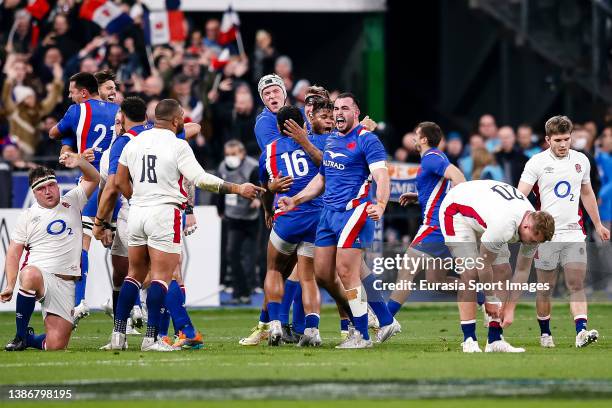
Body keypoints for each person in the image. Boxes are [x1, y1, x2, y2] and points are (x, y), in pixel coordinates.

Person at [110, 99, 263, 351]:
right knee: (162, 277)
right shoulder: (178, 145)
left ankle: (118, 336)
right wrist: (238, 187)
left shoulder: (133, 141)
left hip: (137, 211)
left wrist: (136, 198)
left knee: (133, 275)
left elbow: (120, 181)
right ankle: (152, 339)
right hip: (164, 213)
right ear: (176, 120)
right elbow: (201, 179)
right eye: (182, 116)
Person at [278, 93, 396, 348]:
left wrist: (382, 204)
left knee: (346, 270)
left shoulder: (367, 140)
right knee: (322, 273)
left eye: (344, 108)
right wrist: (295, 200)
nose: (338, 113)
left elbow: (382, 177)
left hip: (354, 211)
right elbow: (321, 179)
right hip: (328, 215)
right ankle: (386, 319)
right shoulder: (331, 140)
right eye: (336, 108)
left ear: (356, 112)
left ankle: (361, 334)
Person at [518, 115, 610, 348]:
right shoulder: (536, 163)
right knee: (545, 289)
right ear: (548, 139)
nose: (562, 144)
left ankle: (581, 332)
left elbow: (587, 193)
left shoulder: (581, 161)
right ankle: (545, 334)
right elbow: (520, 197)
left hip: (573, 233)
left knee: (576, 285)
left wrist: (598, 224)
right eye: (557, 140)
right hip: (546, 236)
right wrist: (524, 227)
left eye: (566, 139)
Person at [439, 179, 555, 352]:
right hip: (456, 211)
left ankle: (494, 339)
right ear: (526, 225)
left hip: (485, 212)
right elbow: (483, 263)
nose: (531, 244)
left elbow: (522, 270)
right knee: (470, 273)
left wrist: (510, 308)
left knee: (503, 270)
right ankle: (469, 340)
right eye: (531, 240)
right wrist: (490, 298)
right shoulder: (505, 225)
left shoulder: (532, 227)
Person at [2, 154, 100, 351]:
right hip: (41, 275)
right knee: (29, 274)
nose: (48, 192)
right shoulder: (28, 216)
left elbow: (94, 179)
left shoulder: (72, 200)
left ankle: (29, 339)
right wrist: (10, 285)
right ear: (34, 193)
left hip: (67, 282)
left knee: (55, 345)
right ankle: (20, 335)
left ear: (57, 185)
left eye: (51, 186)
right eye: (41, 189)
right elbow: (13, 252)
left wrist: (80, 162)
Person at [49, 72, 119, 327]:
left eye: (115, 88)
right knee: (113, 242)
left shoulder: (79, 112)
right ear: (96, 90)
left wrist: (75, 153)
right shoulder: (117, 113)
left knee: (88, 241)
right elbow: (65, 150)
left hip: (97, 184)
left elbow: (54, 134)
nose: (112, 92)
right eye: (108, 88)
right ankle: (127, 305)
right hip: (114, 184)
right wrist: (76, 153)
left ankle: (82, 302)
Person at [388, 122, 466, 317]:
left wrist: (451, 210)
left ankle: (385, 321)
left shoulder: (431, 158)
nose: (414, 137)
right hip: (442, 226)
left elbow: (459, 178)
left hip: (435, 225)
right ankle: (484, 297)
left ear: (424, 139)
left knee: (406, 272)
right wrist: (418, 196)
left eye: (416, 134)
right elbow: (440, 188)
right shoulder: (434, 158)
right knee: (436, 281)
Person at [217, 140, 261, 305]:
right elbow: (220, 189)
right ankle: (238, 292)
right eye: (227, 154)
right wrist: (220, 209)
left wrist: (259, 200)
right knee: (232, 254)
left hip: (250, 218)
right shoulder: (222, 167)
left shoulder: (252, 167)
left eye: (233, 154)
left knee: (249, 255)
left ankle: (248, 290)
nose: (230, 158)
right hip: (233, 217)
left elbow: (262, 187)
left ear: (242, 153)